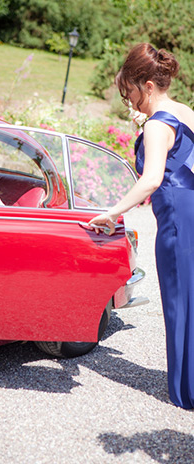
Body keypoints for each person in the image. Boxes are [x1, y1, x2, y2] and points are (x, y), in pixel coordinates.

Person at [89, 43, 194, 410]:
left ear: (148, 86)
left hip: (178, 222)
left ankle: (188, 388)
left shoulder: (157, 124)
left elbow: (150, 180)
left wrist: (112, 212)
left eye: (130, 92)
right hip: (191, 208)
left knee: (180, 299)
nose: (130, 102)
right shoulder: (184, 112)